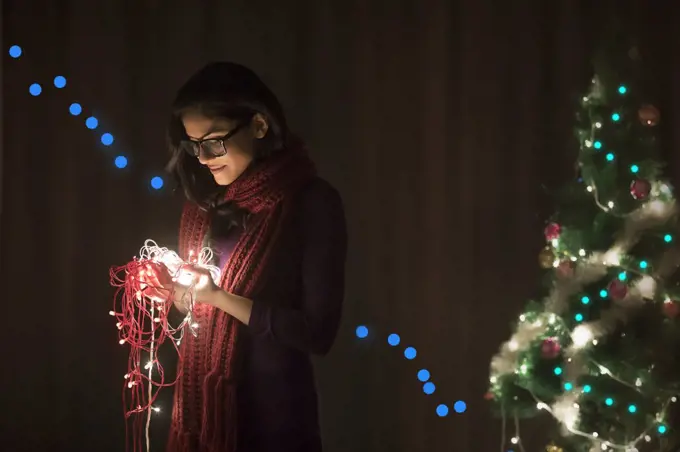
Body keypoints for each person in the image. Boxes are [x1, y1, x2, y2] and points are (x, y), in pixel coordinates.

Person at [141, 62, 347, 452]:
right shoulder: (206, 205)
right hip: (201, 420)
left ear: (258, 125)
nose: (202, 157)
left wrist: (219, 297)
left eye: (214, 141)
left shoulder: (312, 202)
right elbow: (199, 310)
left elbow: (318, 332)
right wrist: (175, 294)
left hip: (274, 420)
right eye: (193, 144)